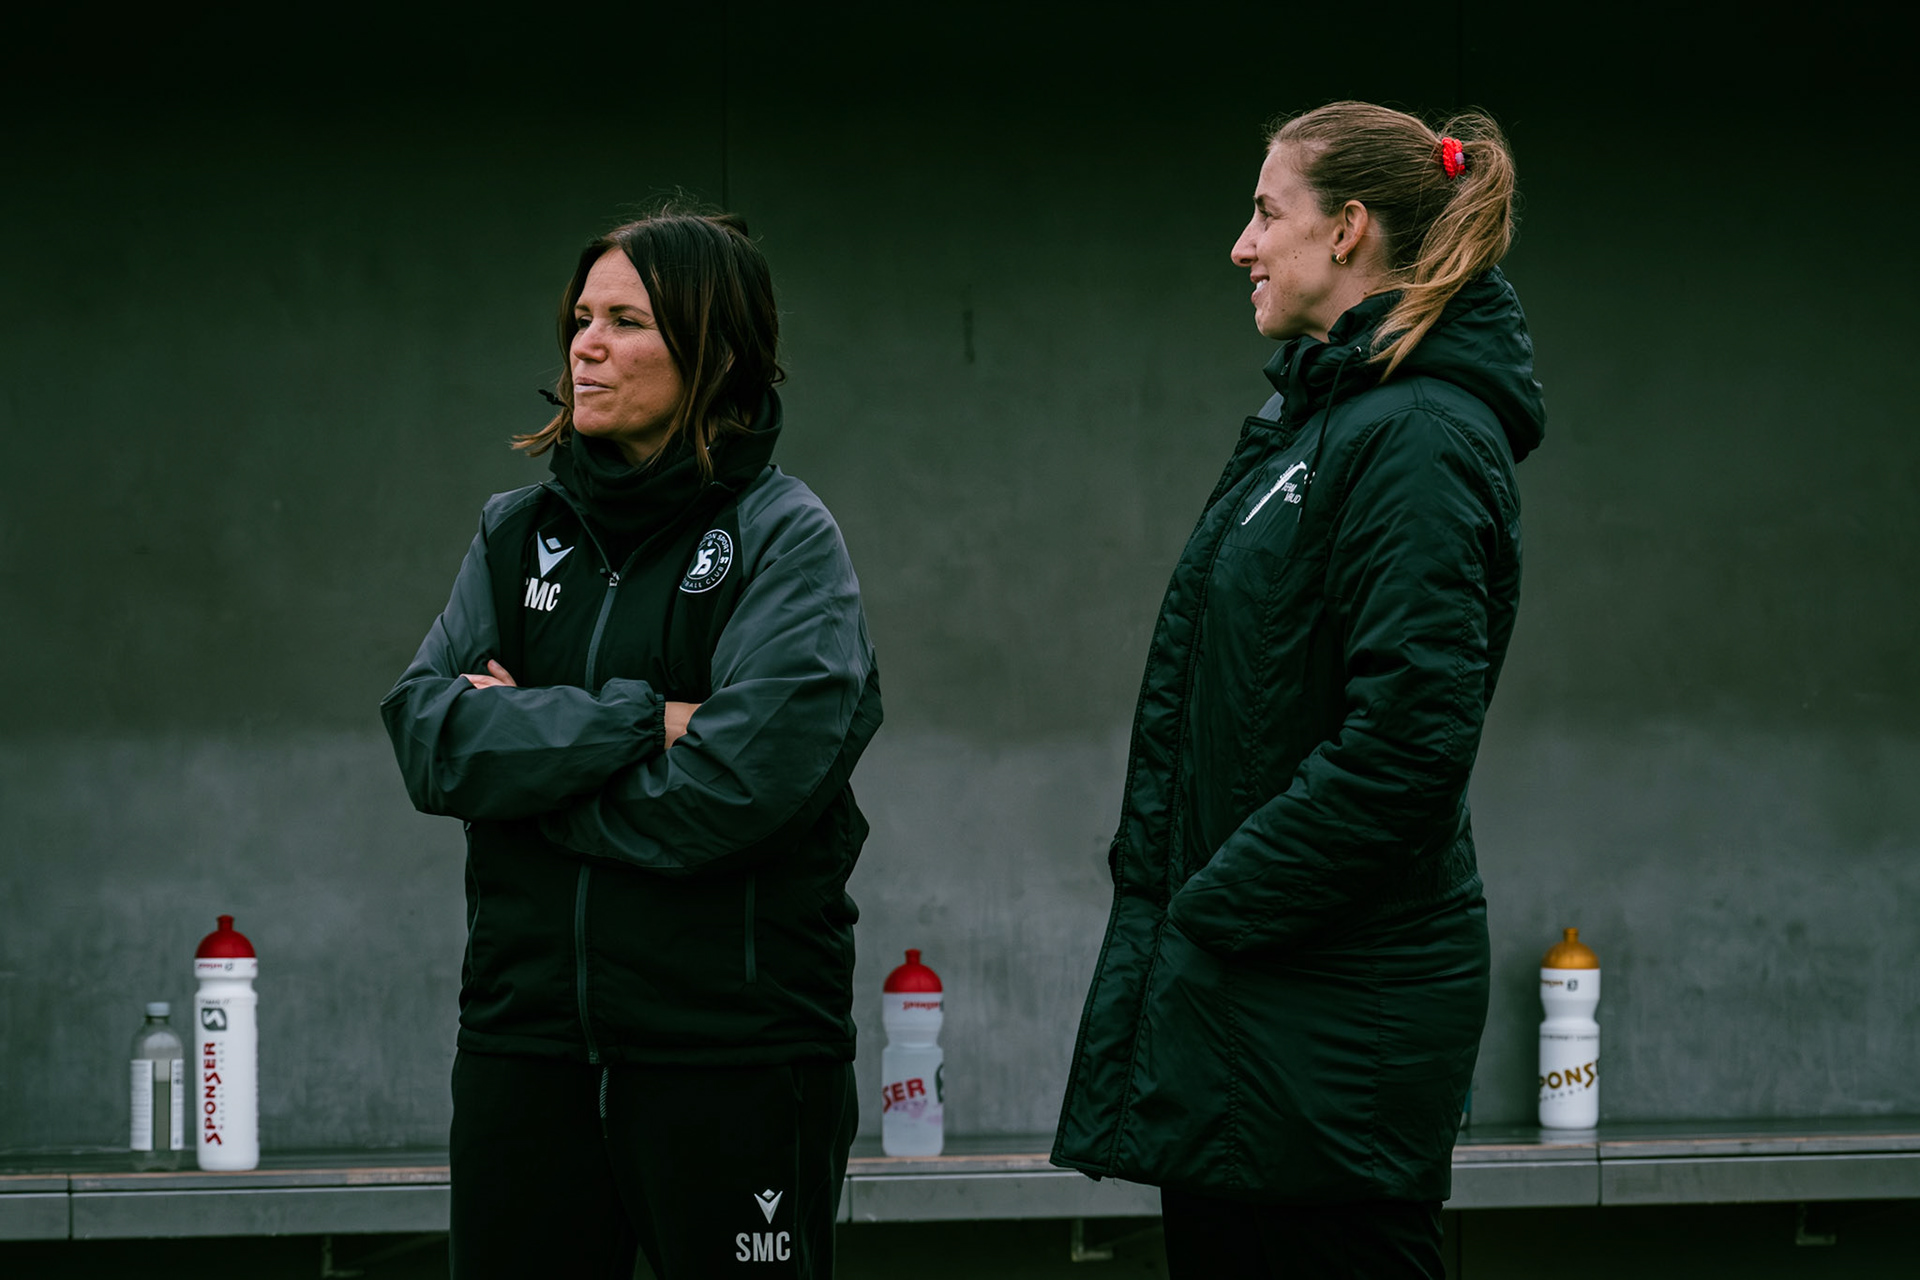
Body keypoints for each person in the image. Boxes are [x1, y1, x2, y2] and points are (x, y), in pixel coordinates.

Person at [1052, 103, 1545, 1278]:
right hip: (1260, 1035)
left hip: (1320, 1044)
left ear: (1350, 232)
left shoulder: (1419, 433)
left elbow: (1409, 747)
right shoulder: (1327, 422)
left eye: (1268, 211)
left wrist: (1209, 915)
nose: (1242, 243)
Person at [381, 210, 882, 1280]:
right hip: (526, 1048)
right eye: (579, 317)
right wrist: (641, 719)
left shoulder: (785, 538)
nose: (584, 344)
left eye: (625, 320)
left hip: (733, 1055)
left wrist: (527, 766)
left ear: (715, 350)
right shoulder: (512, 532)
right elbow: (430, 736)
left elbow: (740, 785)